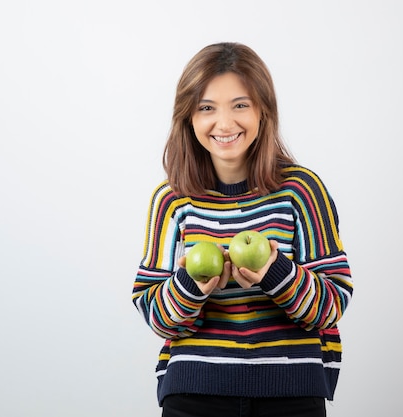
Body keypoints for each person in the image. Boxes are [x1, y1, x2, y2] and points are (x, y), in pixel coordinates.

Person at [131, 42, 353, 417]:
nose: (225, 123)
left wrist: (273, 271)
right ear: (188, 118)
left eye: (240, 105)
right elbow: (154, 312)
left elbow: (332, 305)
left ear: (263, 111)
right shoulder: (171, 200)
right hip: (194, 393)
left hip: (291, 395)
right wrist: (191, 285)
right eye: (206, 108)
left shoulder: (301, 191)